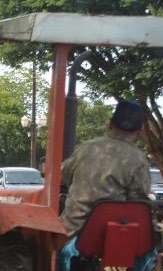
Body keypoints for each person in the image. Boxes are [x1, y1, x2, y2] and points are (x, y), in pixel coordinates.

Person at [59, 100, 152, 234]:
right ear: (140, 132)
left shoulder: (86, 148)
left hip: (70, 234)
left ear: (109, 124)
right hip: (108, 238)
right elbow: (140, 206)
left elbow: (65, 177)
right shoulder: (138, 160)